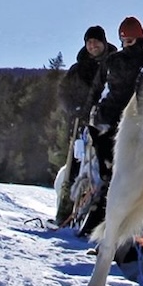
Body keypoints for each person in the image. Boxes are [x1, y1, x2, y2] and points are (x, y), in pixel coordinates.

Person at [80, 16, 143, 231]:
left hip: (128, 124)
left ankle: (116, 221)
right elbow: (97, 88)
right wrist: (88, 113)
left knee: (120, 175)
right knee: (109, 174)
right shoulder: (115, 61)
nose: (129, 45)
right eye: (126, 41)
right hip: (111, 123)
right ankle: (102, 219)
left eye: (132, 41)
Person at [54, 26, 115, 226]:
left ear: (104, 42)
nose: (93, 45)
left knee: (100, 168)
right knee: (74, 167)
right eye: (89, 42)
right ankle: (65, 212)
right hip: (81, 122)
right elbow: (63, 92)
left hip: (105, 122)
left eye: (96, 41)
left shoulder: (114, 63)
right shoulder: (78, 68)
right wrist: (74, 108)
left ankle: (97, 216)